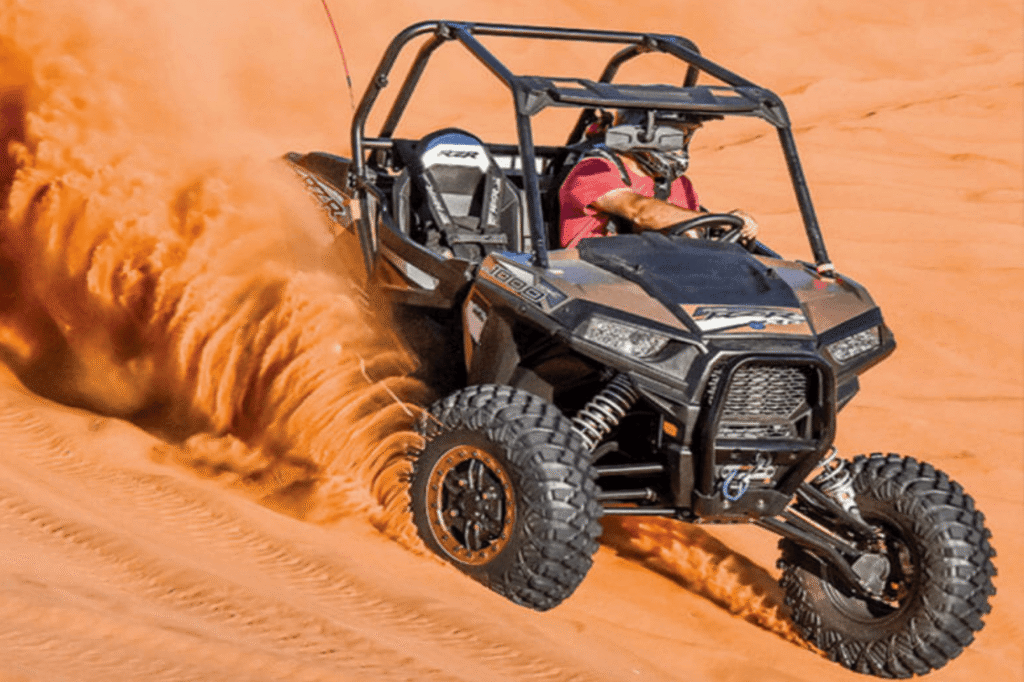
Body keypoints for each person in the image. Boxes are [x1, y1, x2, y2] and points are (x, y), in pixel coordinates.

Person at [558, 109, 759, 249]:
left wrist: (733, 226)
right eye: (674, 137)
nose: (681, 147)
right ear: (641, 135)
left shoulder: (678, 184)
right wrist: (709, 221)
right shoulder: (593, 170)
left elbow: (688, 231)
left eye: (686, 137)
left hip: (657, 278)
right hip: (590, 280)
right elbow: (640, 211)